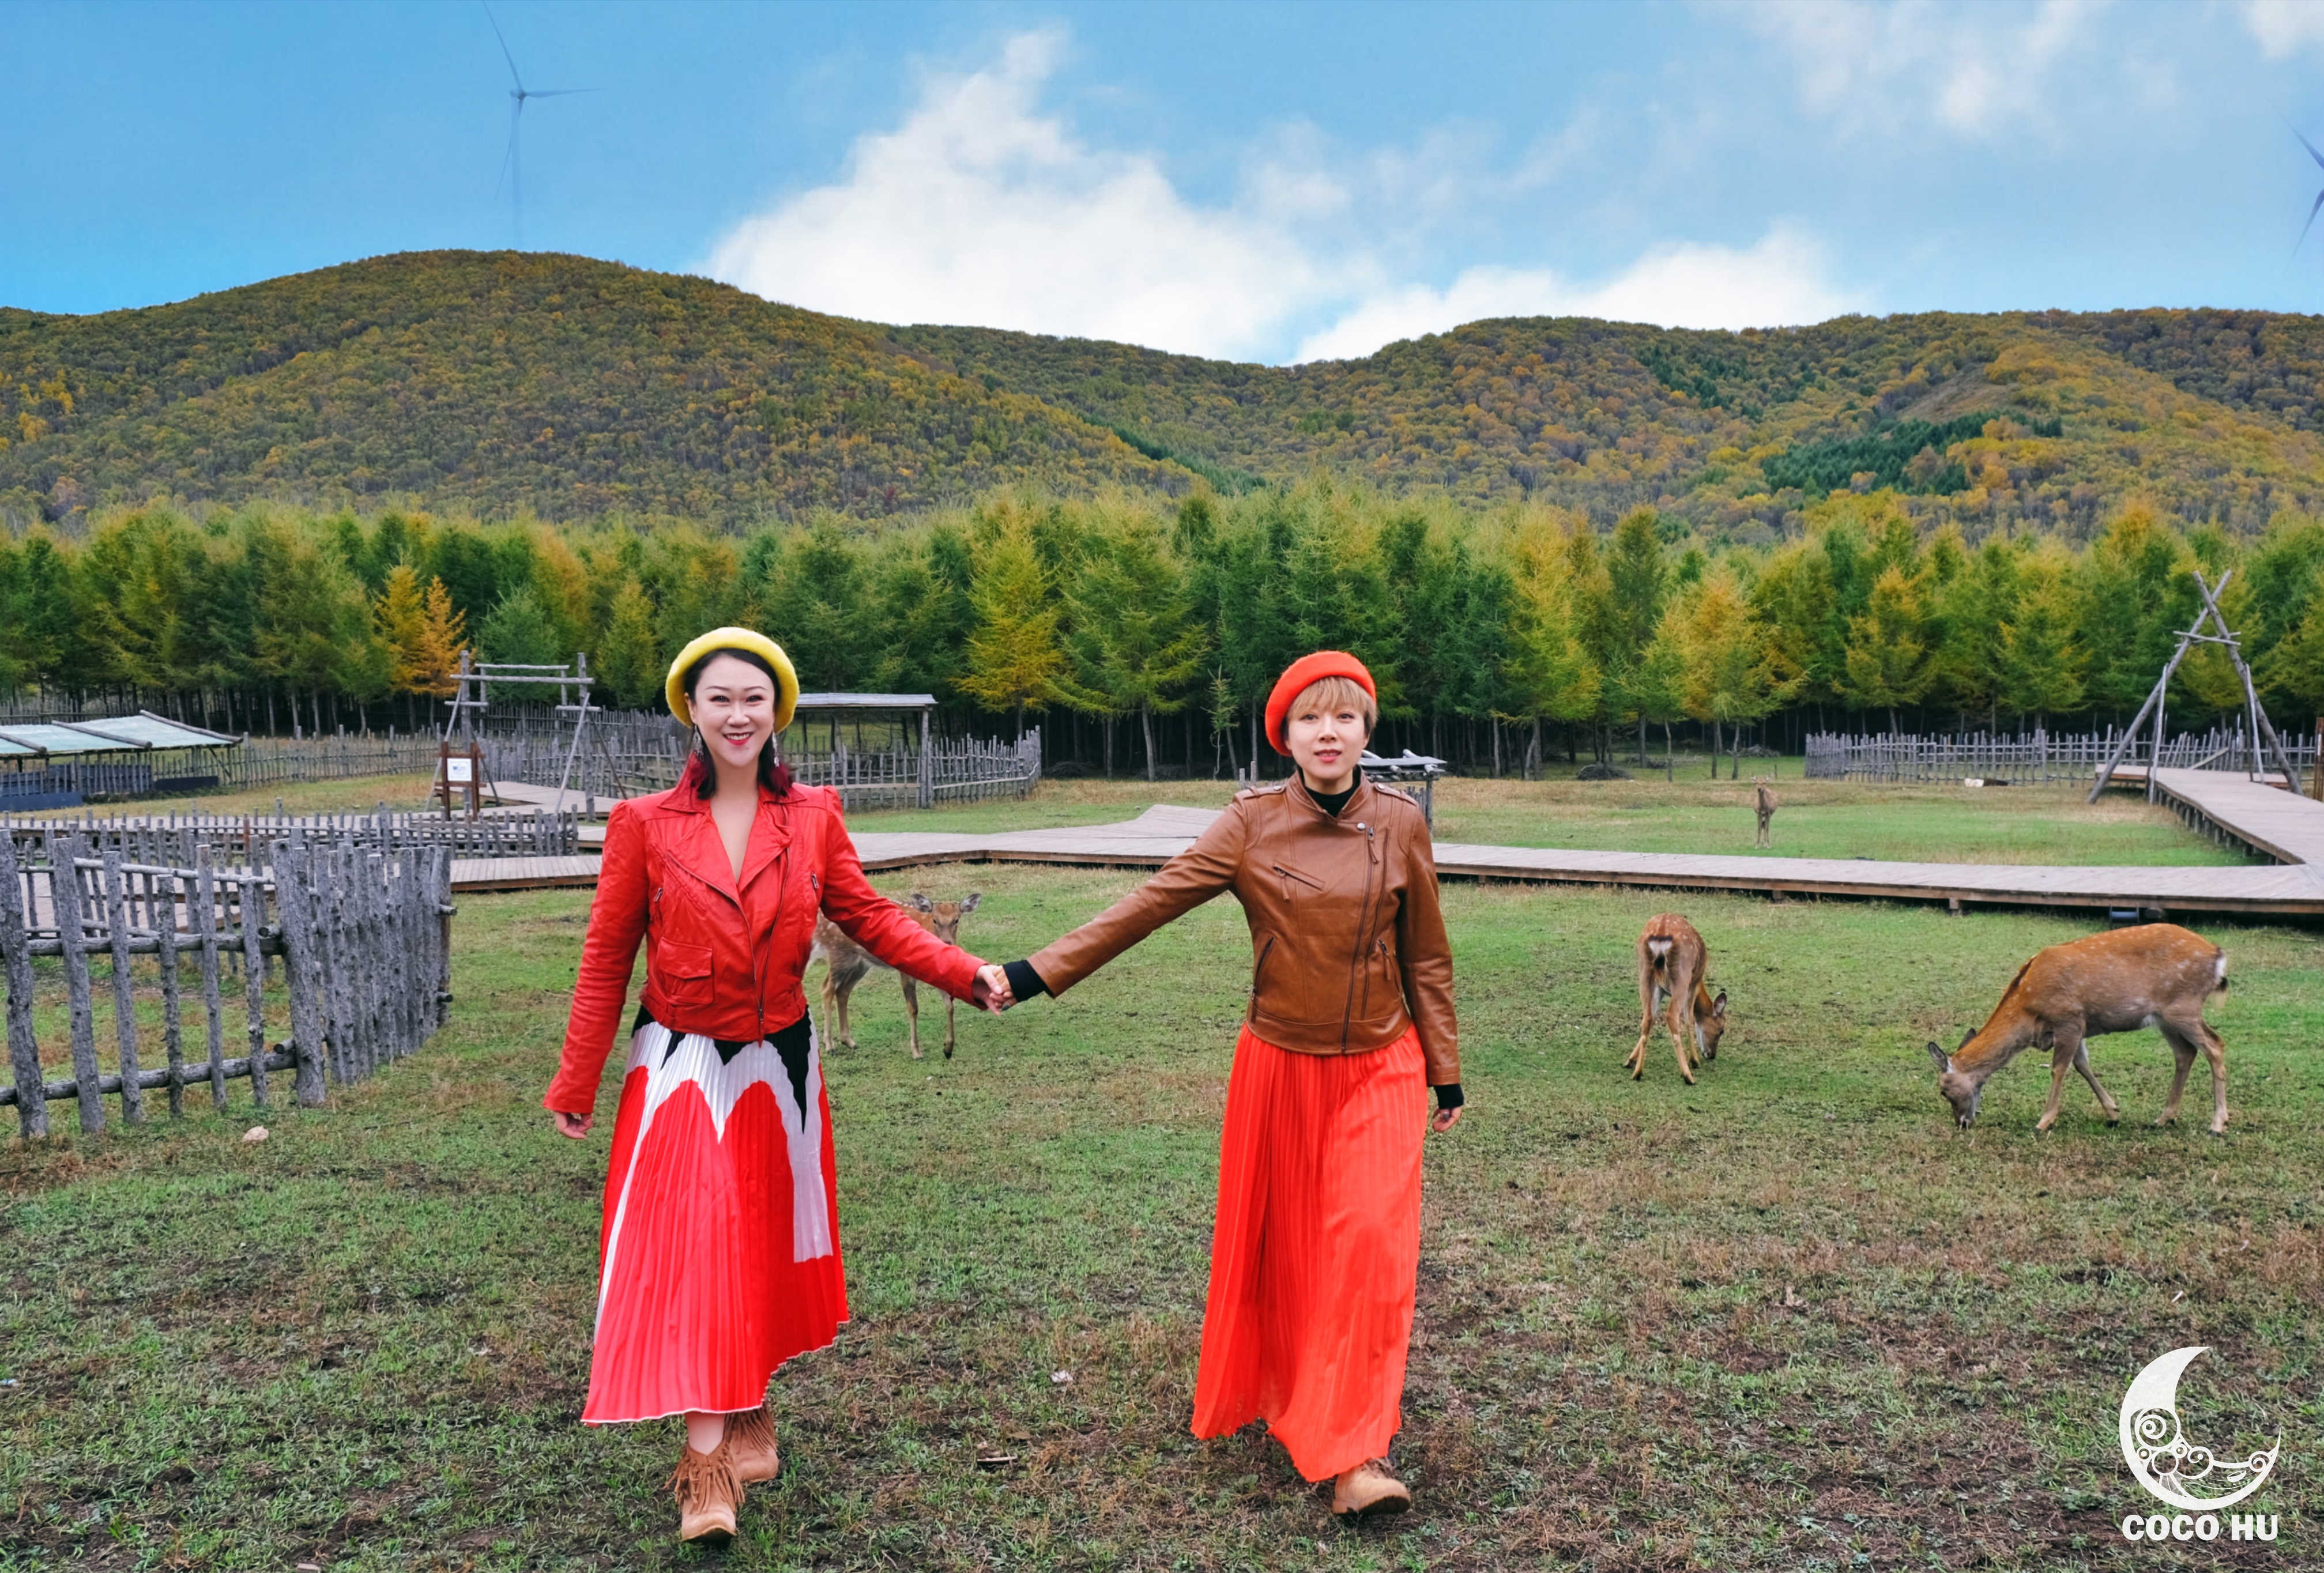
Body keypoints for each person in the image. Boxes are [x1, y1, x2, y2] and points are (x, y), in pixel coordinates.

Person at [543, 628, 1011, 1544]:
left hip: (783, 1067)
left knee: (761, 1245)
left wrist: (964, 970)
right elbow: (606, 958)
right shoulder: (643, 824)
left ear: (778, 711)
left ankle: (750, 1410)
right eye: (719, 697)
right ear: (691, 708)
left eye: (755, 697)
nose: (737, 713)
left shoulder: (814, 817)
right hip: (683, 1072)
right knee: (704, 1247)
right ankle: (706, 1468)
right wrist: (577, 1078)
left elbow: (870, 914)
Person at [992, 650, 1463, 1519]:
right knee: (1286, 1251)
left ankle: (1355, 1452)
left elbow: (1427, 952)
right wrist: (1034, 971)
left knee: (1365, 1245)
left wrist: (1445, 1068)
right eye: (1310, 719)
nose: (1329, 733)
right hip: (1280, 1064)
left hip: (1380, 1066)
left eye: (1346, 717)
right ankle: (1292, 1392)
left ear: (1368, 731)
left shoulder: (1401, 823)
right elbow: (1151, 900)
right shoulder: (1249, 824)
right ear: (1283, 734)